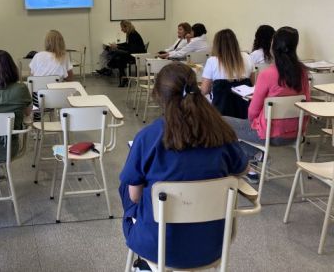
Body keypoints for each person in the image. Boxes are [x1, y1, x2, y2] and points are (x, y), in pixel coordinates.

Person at [120, 63, 248, 269]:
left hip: (158, 247)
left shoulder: (148, 137)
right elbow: (241, 169)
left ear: (159, 96)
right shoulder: (223, 131)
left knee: (129, 186)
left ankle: (143, 264)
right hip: (213, 245)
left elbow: (134, 197)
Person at [223, 27, 310, 181]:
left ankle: (255, 154)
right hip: (295, 134)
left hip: (269, 133)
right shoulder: (303, 73)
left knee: (219, 123)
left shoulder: (268, 74)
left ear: (273, 46)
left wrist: (254, 124)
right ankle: (255, 154)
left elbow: (252, 111)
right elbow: (308, 105)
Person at [201, 29, 254, 118]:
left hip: (221, 113)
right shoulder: (247, 57)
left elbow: (205, 90)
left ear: (216, 45)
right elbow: (253, 85)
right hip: (244, 113)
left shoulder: (212, 61)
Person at [106, 20, 146, 87]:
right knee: (118, 57)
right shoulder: (130, 33)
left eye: (122, 28)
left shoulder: (133, 34)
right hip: (133, 53)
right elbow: (127, 44)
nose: (121, 30)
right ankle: (123, 78)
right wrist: (117, 45)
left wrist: (117, 46)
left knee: (118, 57)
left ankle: (111, 66)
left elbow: (130, 48)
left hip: (137, 55)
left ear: (126, 27)